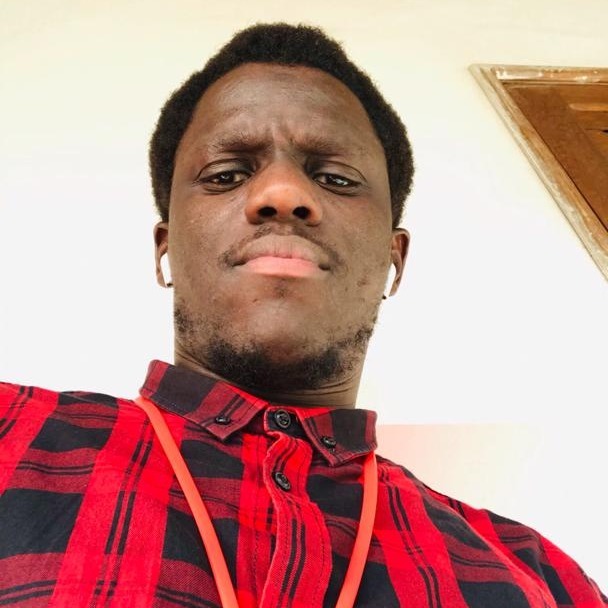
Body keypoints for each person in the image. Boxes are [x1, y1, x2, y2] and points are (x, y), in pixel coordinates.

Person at [0, 22, 605, 608]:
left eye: (336, 178)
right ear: (166, 250)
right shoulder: (11, 433)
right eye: (226, 174)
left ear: (393, 261)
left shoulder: (543, 577)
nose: (282, 194)